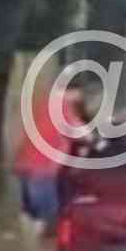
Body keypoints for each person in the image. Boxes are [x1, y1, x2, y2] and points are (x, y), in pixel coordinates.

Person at [14, 84, 86, 229]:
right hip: (42, 168)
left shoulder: (44, 103)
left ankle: (32, 245)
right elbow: (78, 131)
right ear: (72, 92)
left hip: (26, 165)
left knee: (32, 218)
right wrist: (96, 138)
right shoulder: (62, 105)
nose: (78, 102)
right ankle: (45, 246)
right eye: (78, 97)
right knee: (50, 219)